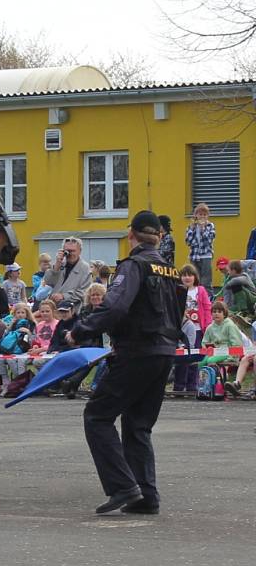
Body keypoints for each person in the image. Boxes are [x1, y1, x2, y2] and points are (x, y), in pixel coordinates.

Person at [67, 210, 184, 515]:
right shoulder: (170, 269)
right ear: (158, 236)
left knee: (97, 415)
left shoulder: (134, 265)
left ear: (131, 234)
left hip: (137, 351)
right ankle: (146, 496)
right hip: (165, 352)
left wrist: (80, 330)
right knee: (138, 425)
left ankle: (123, 487)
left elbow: (115, 306)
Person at [175, 264, 211, 393]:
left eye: (190, 275)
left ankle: (192, 385)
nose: (187, 278)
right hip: (182, 329)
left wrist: (206, 326)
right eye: (184, 275)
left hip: (197, 329)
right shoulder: (177, 290)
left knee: (194, 358)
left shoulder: (200, 290)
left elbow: (207, 308)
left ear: (195, 277)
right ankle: (178, 386)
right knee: (181, 357)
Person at [42, 236, 93, 312]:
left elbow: (84, 292)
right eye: (67, 251)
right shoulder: (59, 264)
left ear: (80, 251)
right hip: (53, 308)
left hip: (73, 311)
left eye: (73, 251)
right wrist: (56, 266)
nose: (70, 254)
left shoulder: (85, 268)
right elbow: (48, 282)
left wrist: (63, 296)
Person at [185, 202, 216, 292]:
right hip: (194, 256)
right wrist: (191, 230)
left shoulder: (210, 226)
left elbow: (208, 241)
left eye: (205, 214)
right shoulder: (192, 227)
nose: (202, 216)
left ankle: (208, 299)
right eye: (200, 214)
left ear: (207, 216)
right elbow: (188, 241)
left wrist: (203, 229)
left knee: (206, 280)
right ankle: (196, 298)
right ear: (196, 215)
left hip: (206, 255)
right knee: (194, 279)